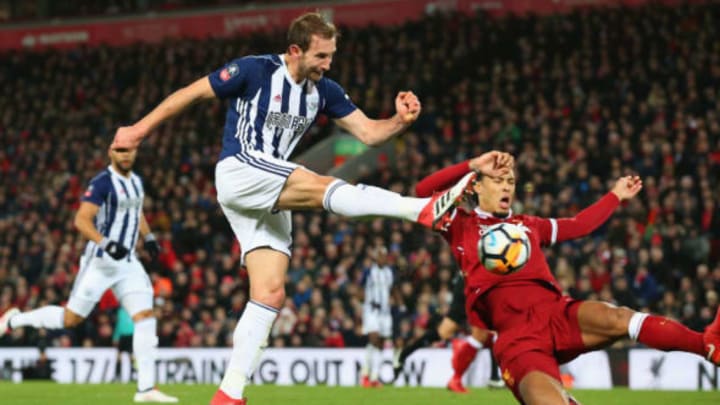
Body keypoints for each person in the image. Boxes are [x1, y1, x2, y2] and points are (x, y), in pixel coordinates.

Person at [110, 12, 509, 405]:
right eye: (321, 56)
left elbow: (370, 133)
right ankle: (422, 210)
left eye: (331, 56)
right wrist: (140, 129)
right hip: (242, 170)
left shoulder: (326, 91)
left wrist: (400, 121)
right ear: (295, 50)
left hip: (270, 190)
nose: (327, 64)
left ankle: (228, 393)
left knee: (269, 292)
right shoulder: (254, 70)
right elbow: (194, 91)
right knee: (321, 184)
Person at [416, 154, 720, 404]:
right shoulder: (459, 224)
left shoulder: (529, 225)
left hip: (557, 313)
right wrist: (472, 165)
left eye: (510, 181)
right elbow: (422, 192)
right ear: (477, 188)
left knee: (618, 316)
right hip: (517, 341)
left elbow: (579, 225)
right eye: (497, 180)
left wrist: (615, 195)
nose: (506, 187)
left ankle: (705, 344)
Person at [0, 146, 178, 403]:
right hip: (101, 262)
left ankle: (146, 389)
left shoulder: (136, 182)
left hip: (128, 262)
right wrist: (106, 243)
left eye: (130, 150)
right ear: (111, 153)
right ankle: (14, 320)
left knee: (146, 317)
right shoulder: (102, 183)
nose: (125, 155)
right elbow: (81, 220)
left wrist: (148, 237)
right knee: (70, 319)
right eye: (120, 150)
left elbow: (135, 211)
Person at [392, 273, 503, 393]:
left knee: (445, 332)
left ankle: (403, 354)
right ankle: (457, 378)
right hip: (471, 283)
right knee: (482, 332)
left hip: (472, 282)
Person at [360, 246, 394, 388]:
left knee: (380, 343)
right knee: (374, 339)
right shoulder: (369, 272)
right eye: (380, 255)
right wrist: (363, 303)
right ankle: (365, 375)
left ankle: (373, 377)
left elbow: (392, 289)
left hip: (385, 312)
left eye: (384, 255)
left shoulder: (389, 273)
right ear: (375, 257)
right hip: (371, 310)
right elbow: (359, 288)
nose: (382, 258)